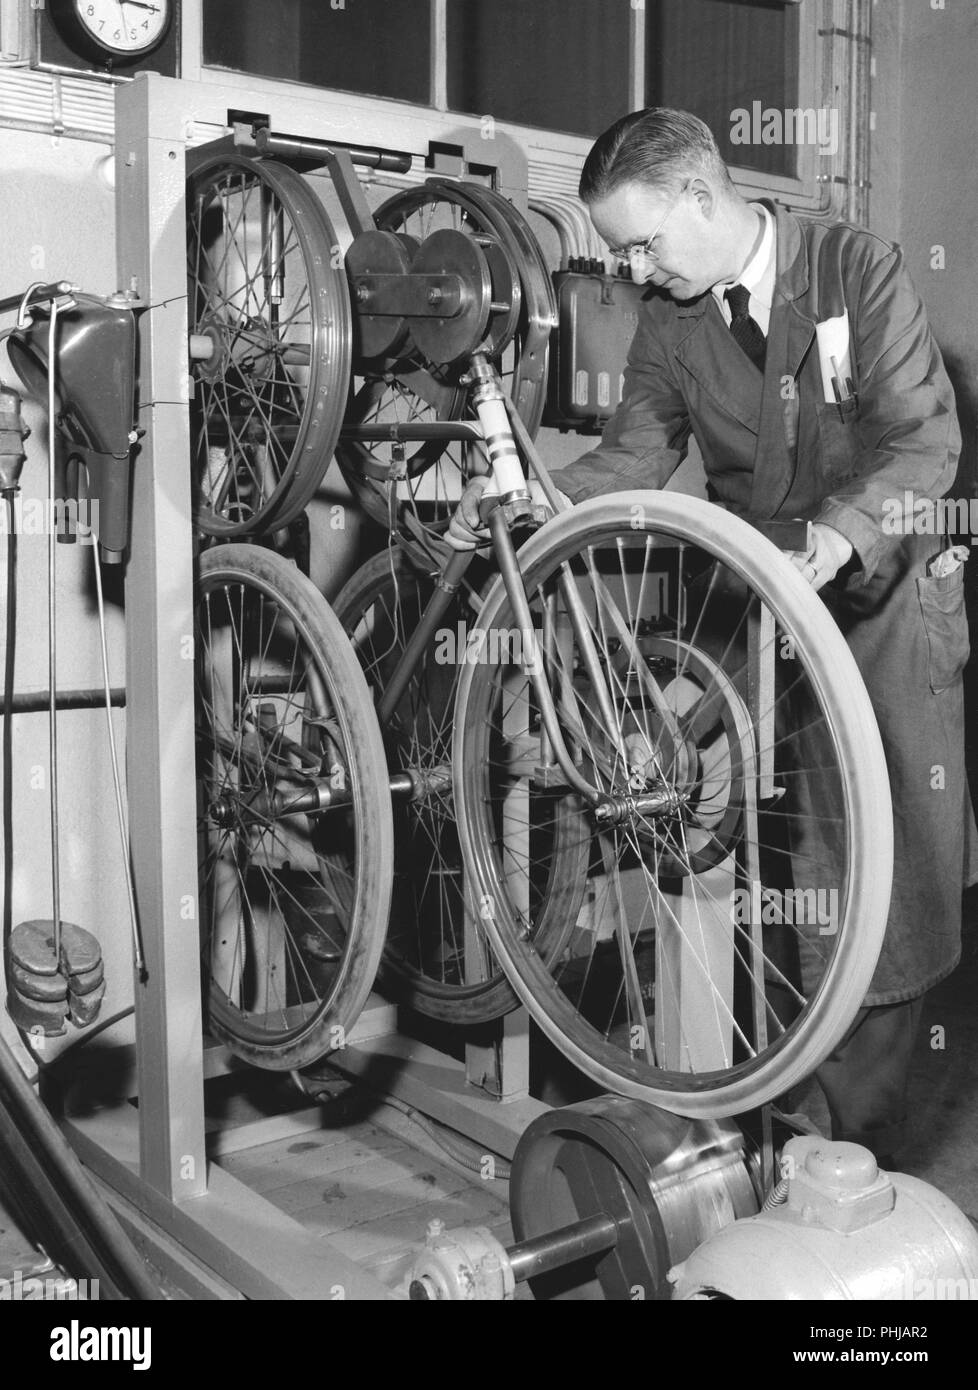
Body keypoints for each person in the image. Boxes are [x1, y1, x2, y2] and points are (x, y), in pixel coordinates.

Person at [450, 107, 976, 1164]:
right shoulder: (674, 319)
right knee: (770, 873)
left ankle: (869, 1169)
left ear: (701, 193)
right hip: (763, 614)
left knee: (882, 900)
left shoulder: (853, 267)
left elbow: (925, 443)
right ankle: (780, 1131)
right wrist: (527, 502)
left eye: (644, 243)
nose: (635, 270)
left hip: (876, 610)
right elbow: (634, 454)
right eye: (621, 253)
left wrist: (831, 544)